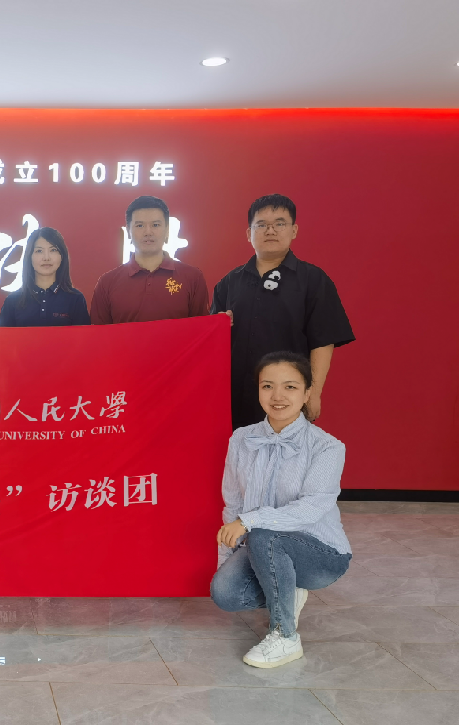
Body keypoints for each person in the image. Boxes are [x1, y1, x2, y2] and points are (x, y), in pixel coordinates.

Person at [210, 352, 351, 669]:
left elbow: (311, 508)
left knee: (264, 534)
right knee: (225, 594)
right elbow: (233, 503)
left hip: (321, 555)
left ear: (307, 393)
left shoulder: (327, 447)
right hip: (261, 548)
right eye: (267, 386)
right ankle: (288, 590)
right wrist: (227, 560)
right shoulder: (241, 439)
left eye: (290, 387)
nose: (277, 396)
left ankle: (285, 636)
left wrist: (249, 521)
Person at [211, 194, 354, 430]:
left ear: (294, 230)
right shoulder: (229, 283)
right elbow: (213, 341)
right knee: (233, 453)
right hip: (234, 397)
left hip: (286, 399)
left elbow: (323, 341)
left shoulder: (313, 280)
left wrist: (313, 392)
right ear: (249, 233)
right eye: (261, 225)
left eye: (279, 224)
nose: (271, 231)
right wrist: (219, 325)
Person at [90, 195, 209, 324]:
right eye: (140, 225)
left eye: (155, 225)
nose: (148, 232)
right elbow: (99, 334)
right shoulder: (107, 283)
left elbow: (203, 330)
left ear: (167, 230)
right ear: (129, 231)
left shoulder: (193, 278)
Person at [0, 227, 90, 327]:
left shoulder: (76, 299)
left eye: (53, 250)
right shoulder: (12, 301)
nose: (46, 258)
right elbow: (2, 336)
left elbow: (84, 336)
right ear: (30, 256)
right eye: (39, 251)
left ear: (62, 256)